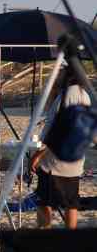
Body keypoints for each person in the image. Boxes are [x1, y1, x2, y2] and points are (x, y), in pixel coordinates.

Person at [29, 74, 92, 230]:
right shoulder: (86, 96)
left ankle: (45, 231)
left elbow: (53, 130)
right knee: (71, 203)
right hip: (75, 161)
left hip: (54, 163)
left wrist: (37, 155)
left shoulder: (64, 97)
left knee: (45, 201)